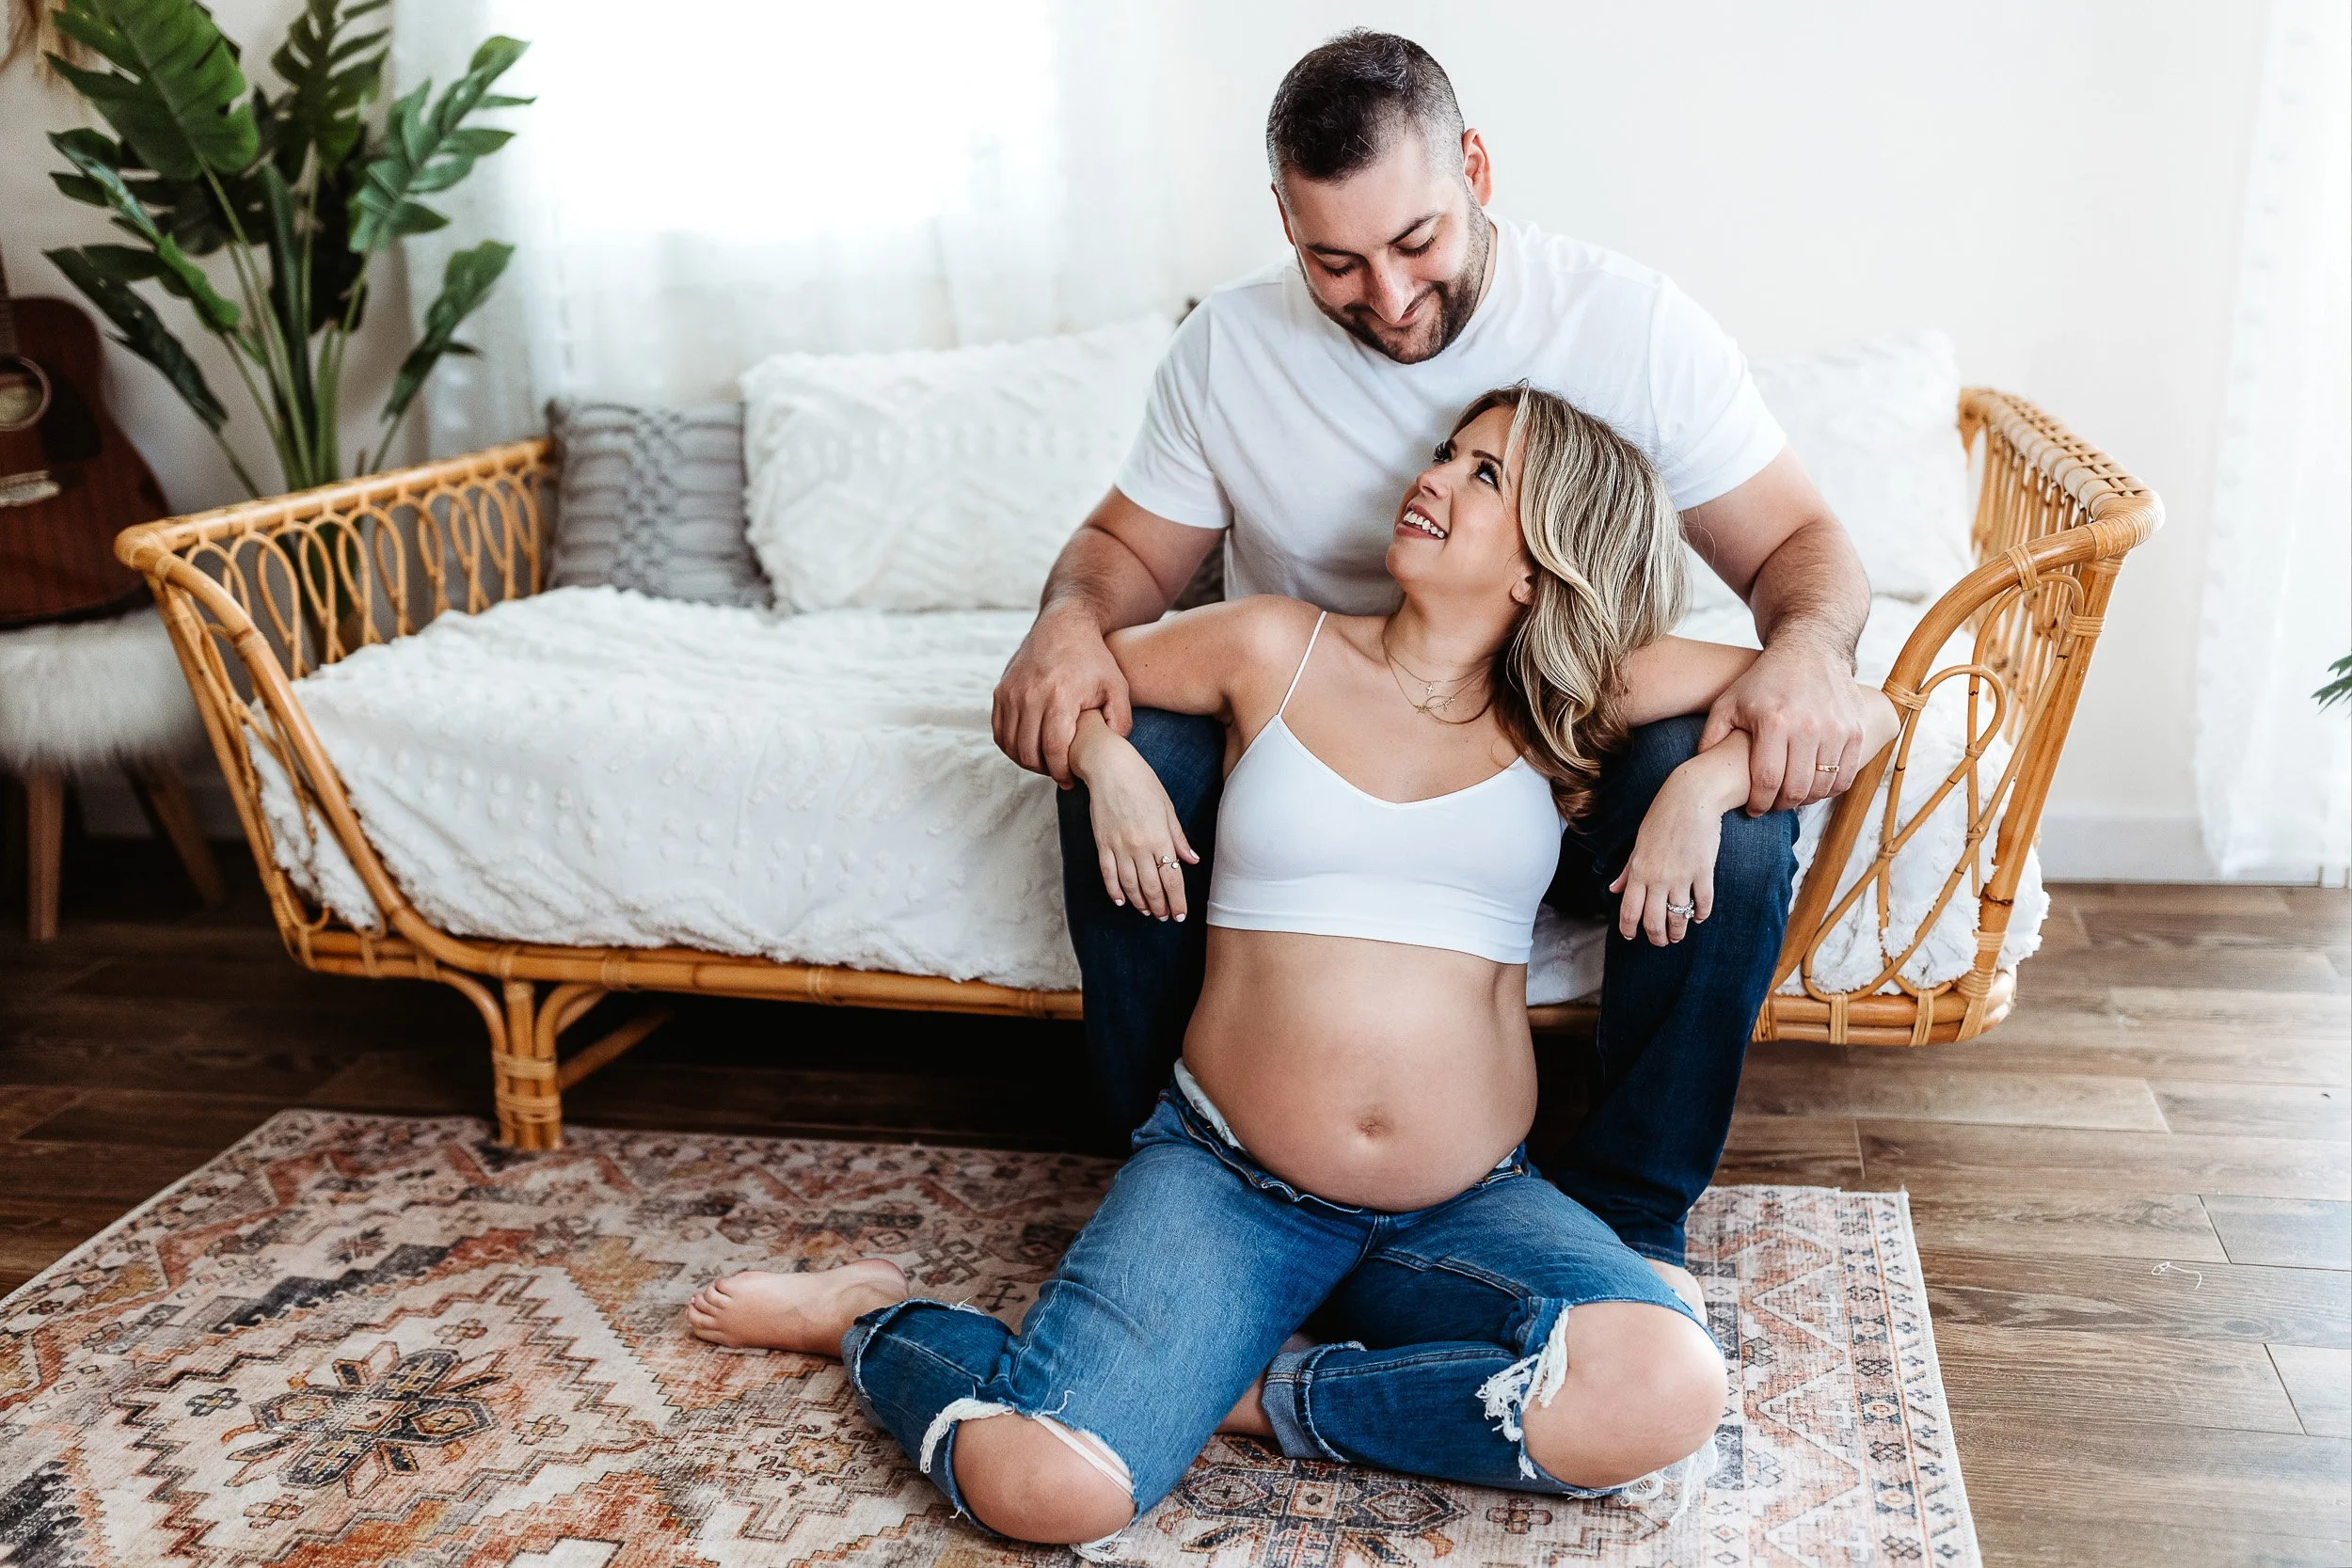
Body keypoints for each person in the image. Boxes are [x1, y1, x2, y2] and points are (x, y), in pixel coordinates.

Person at [689, 387, 1900, 1554]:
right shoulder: (1275, 644)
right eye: (1446, 454)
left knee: (1663, 1387)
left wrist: (1700, 787)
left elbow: (1862, 711)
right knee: (1045, 1488)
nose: (1434, 481)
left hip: (1466, 1203)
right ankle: (869, 1317)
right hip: (1232, 1184)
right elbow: (1079, 683)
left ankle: (1264, 1393)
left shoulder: (1574, 699)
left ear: (1544, 557)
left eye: (1486, 476)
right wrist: (1113, 771)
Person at [990, 32, 1873, 1301]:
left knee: (1732, 815)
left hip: (1550, 767)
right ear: (1287, 225)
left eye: (1417, 244)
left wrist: (1794, 666)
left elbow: (1801, 547)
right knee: (1136, 750)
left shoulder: (1628, 325)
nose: (1390, 299)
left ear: (1475, 168)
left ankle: (1630, 1216)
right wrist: (1069, 624)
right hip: (1311, 756)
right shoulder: (1232, 354)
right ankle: (1172, 1166)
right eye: (1334, 262)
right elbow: (1119, 556)